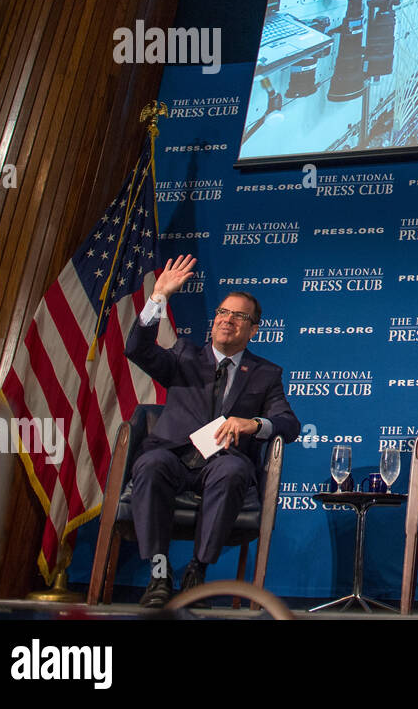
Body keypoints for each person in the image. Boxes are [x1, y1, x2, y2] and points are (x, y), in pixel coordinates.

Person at [125, 254, 300, 607]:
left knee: (235, 469)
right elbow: (136, 349)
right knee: (150, 464)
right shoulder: (183, 356)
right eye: (223, 313)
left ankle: (198, 570)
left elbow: (289, 424)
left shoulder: (266, 373)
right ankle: (159, 573)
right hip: (172, 456)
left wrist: (254, 424)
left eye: (239, 316)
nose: (227, 320)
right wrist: (158, 296)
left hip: (221, 462)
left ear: (253, 329)